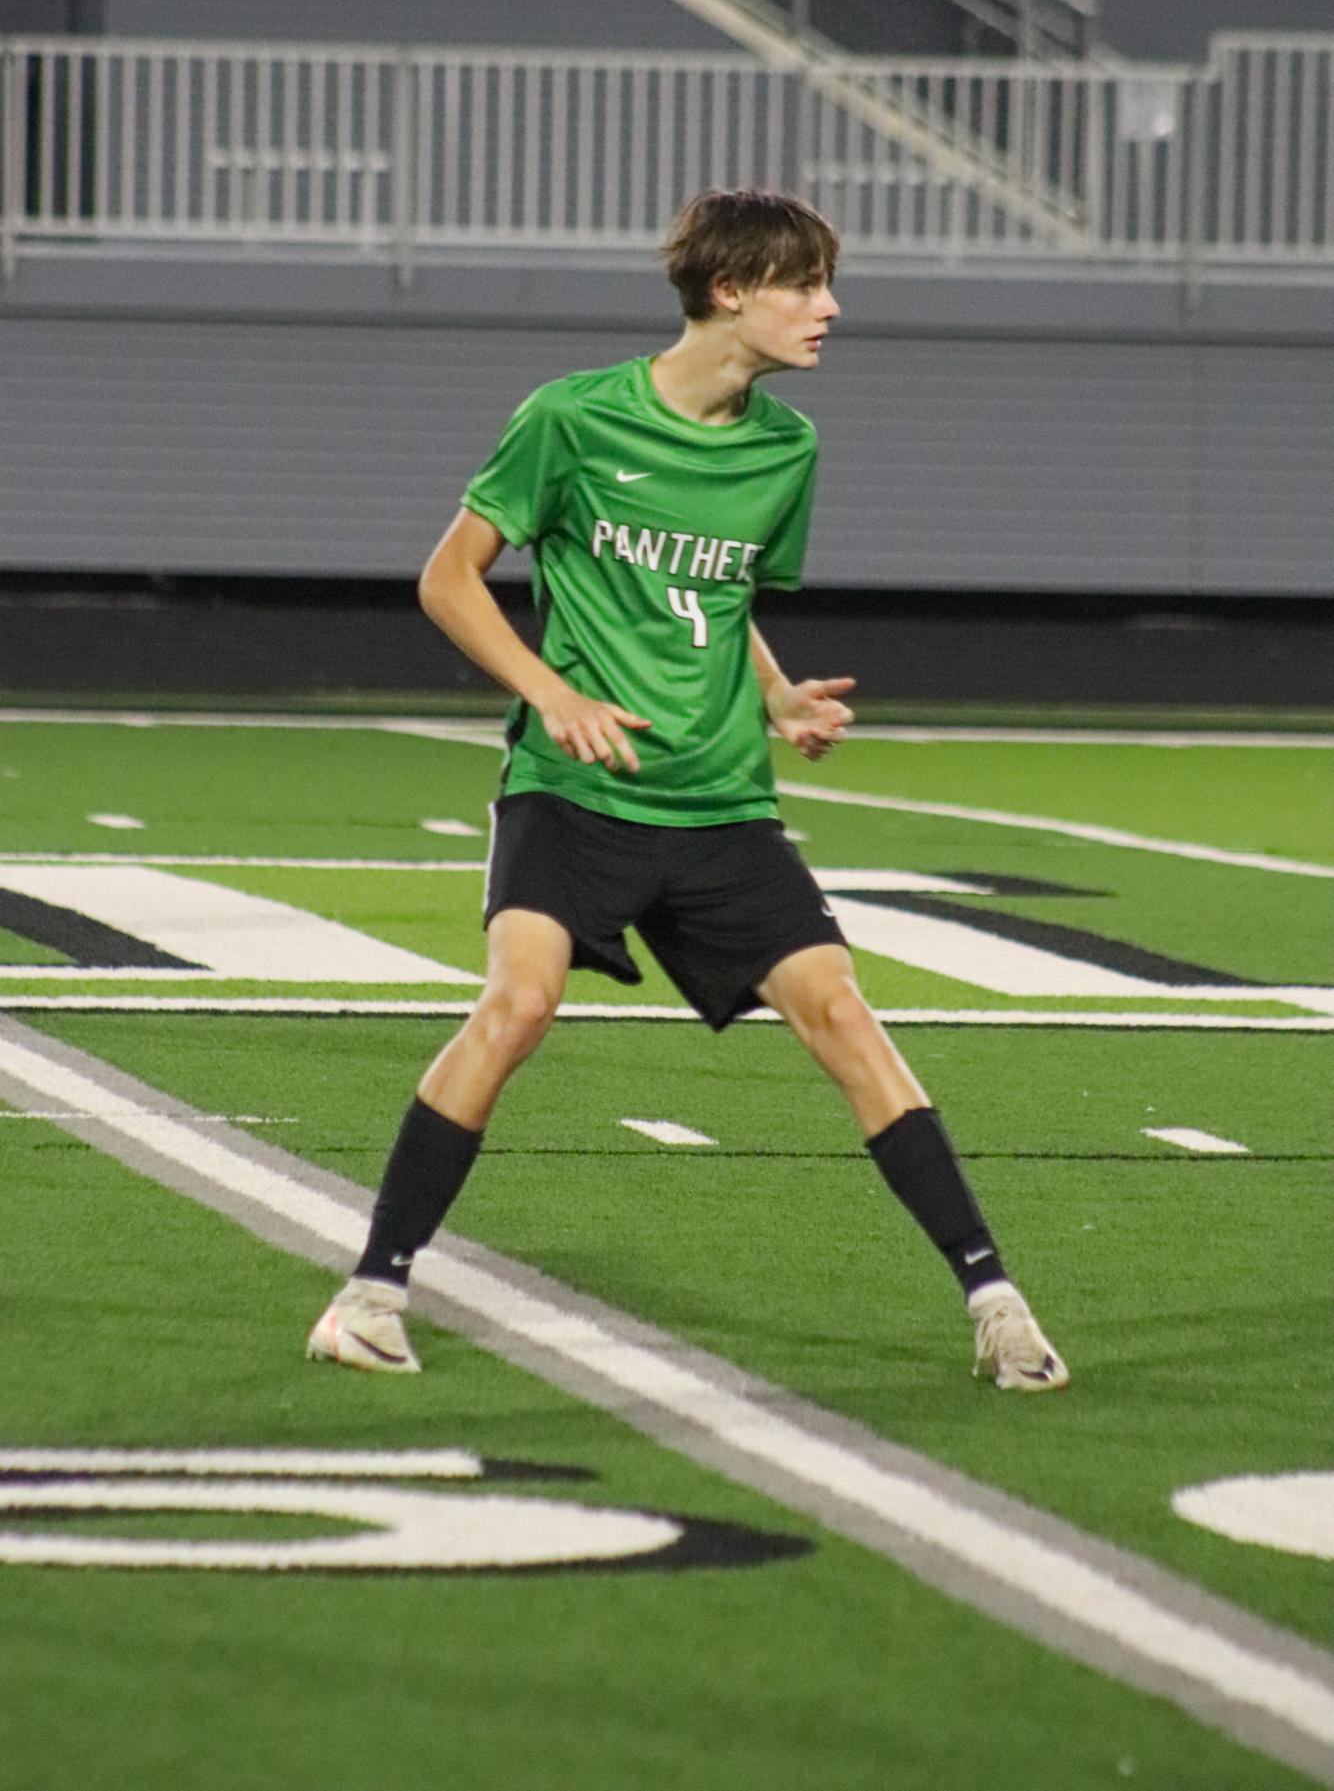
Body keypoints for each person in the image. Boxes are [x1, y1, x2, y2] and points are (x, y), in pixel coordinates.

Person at [308, 189, 1068, 1393]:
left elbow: (720, 599)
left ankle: (996, 1303)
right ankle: (370, 1292)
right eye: (804, 284)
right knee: (517, 1008)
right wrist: (548, 694)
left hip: (721, 804)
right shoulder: (570, 418)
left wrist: (770, 696)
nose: (829, 308)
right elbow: (449, 579)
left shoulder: (786, 448)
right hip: (571, 788)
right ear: (728, 292)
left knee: (842, 1016)